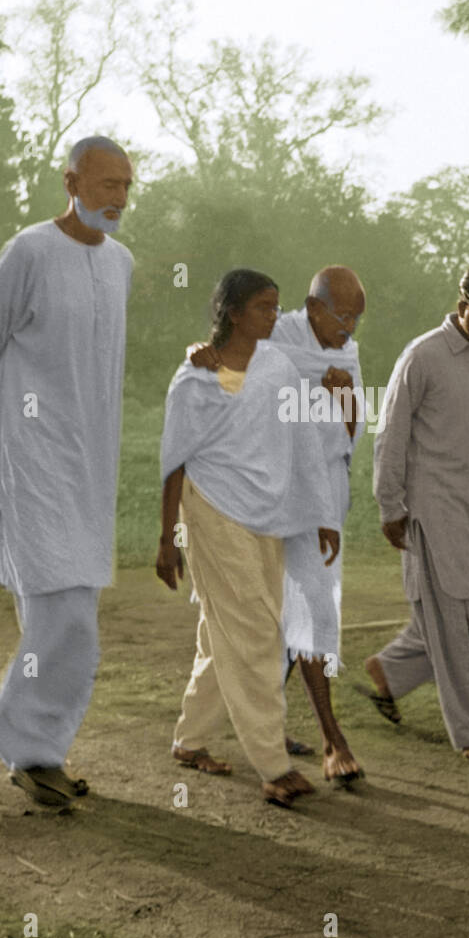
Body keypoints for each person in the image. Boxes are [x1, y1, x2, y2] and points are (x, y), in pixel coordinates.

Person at [0, 136, 134, 808]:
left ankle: (41, 754)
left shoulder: (121, 263)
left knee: (73, 600)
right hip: (31, 451)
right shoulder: (29, 250)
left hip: (92, 458)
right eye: (105, 185)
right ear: (70, 182)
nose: (117, 199)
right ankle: (27, 744)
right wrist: (3, 415)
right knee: (60, 604)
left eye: (126, 186)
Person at [157, 269, 341, 808]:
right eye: (262, 307)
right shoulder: (194, 380)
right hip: (211, 509)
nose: (272, 316)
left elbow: (303, 439)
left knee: (227, 631)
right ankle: (272, 764)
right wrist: (168, 539)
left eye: (275, 306)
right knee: (258, 632)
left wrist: (322, 512)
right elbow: (174, 463)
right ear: (233, 313)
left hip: (267, 513)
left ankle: (190, 740)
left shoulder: (278, 367)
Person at [189, 266, 367, 784]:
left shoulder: (346, 351)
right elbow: (225, 368)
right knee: (264, 608)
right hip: (272, 488)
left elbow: (350, 429)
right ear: (313, 308)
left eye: (359, 317)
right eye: (344, 314)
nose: (351, 327)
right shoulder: (276, 336)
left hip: (322, 488)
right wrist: (197, 357)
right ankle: (312, 736)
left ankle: (308, 733)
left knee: (310, 605)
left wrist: (343, 397)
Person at [362, 266, 469, 766]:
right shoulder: (423, 356)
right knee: (454, 618)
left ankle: (389, 673)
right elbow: (390, 434)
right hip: (431, 507)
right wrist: (390, 505)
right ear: (462, 307)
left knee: (464, 613)